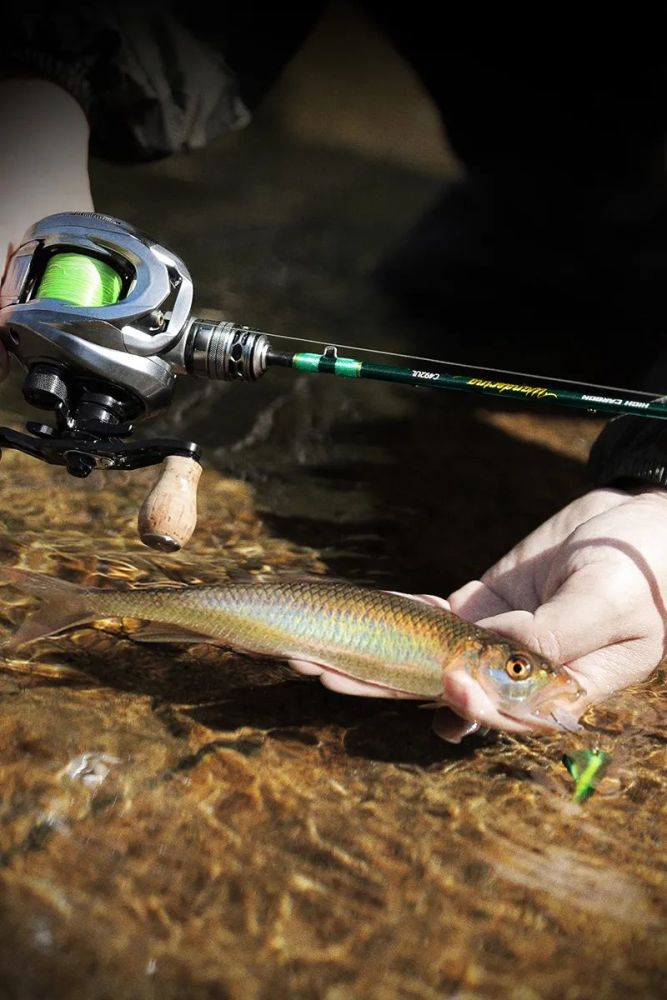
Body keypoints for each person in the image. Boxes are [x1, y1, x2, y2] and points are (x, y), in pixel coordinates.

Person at [2, 5, 667, 743]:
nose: (526, 672)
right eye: (516, 669)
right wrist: (42, 90)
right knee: (439, 286)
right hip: (537, 151)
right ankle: (560, 197)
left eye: (518, 672)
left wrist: (655, 492)